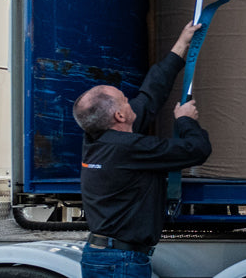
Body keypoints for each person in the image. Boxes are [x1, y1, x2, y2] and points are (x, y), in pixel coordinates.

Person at [72, 21, 213, 278]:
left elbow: (149, 96)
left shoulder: (96, 138)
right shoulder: (128, 150)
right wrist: (185, 120)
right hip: (120, 262)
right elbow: (197, 149)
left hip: (105, 256)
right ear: (119, 116)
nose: (130, 101)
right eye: (125, 100)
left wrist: (181, 45)